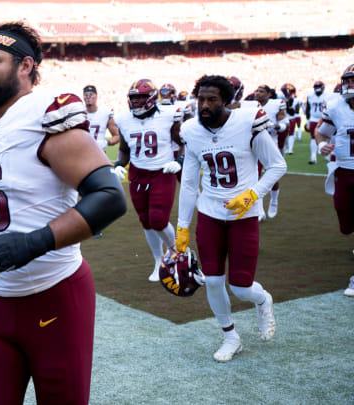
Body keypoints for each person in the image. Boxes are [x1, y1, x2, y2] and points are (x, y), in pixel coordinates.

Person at [0, 22, 127, 404]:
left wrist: (34, 242)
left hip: (55, 296)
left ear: (25, 67)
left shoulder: (45, 115)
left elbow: (108, 196)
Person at [176, 75, 286, 362]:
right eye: (201, 98)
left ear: (226, 100)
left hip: (244, 214)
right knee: (212, 281)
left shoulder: (247, 121)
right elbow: (188, 183)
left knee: (241, 287)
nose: (204, 104)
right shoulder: (191, 130)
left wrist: (253, 194)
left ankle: (263, 300)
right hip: (210, 213)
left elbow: (277, 166)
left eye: (212, 99)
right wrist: (182, 226)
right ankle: (230, 336)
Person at [113, 79, 184, 282]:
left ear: (151, 98)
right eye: (133, 98)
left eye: (141, 97)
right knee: (145, 221)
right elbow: (125, 148)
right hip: (138, 173)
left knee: (158, 219)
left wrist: (179, 159)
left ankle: (177, 254)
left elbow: (182, 142)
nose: (136, 102)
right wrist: (119, 164)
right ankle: (158, 261)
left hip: (162, 170)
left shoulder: (169, 115)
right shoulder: (124, 119)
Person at [313, 64, 354, 297]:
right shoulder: (337, 107)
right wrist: (321, 144)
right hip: (344, 171)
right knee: (345, 222)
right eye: (347, 80)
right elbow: (322, 131)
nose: (349, 85)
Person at [254, 84, 287, 219]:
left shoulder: (277, 104)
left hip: (270, 144)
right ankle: (259, 210)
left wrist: (276, 126)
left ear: (269, 94)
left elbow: (285, 123)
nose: (257, 93)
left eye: (261, 91)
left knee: (273, 176)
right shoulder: (251, 105)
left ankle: (274, 201)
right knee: (255, 178)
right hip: (255, 144)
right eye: (256, 90)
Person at [82, 84, 119, 152]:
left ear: (96, 96)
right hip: (83, 153)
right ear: (83, 97)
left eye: (91, 94)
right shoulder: (79, 113)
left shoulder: (105, 113)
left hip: (100, 154)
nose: (88, 97)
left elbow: (117, 136)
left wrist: (106, 143)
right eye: (86, 95)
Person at [306, 81, 328, 164]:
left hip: (323, 119)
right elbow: (308, 108)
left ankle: (325, 155)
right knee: (313, 138)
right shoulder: (310, 96)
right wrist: (308, 119)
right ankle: (313, 156)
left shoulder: (327, 96)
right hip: (314, 119)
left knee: (326, 137)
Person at [281, 83, 302, 155]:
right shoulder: (280, 98)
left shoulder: (293, 100)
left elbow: (292, 112)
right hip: (284, 118)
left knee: (290, 134)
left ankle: (290, 149)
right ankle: (288, 148)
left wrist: (287, 105)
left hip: (289, 118)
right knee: (286, 134)